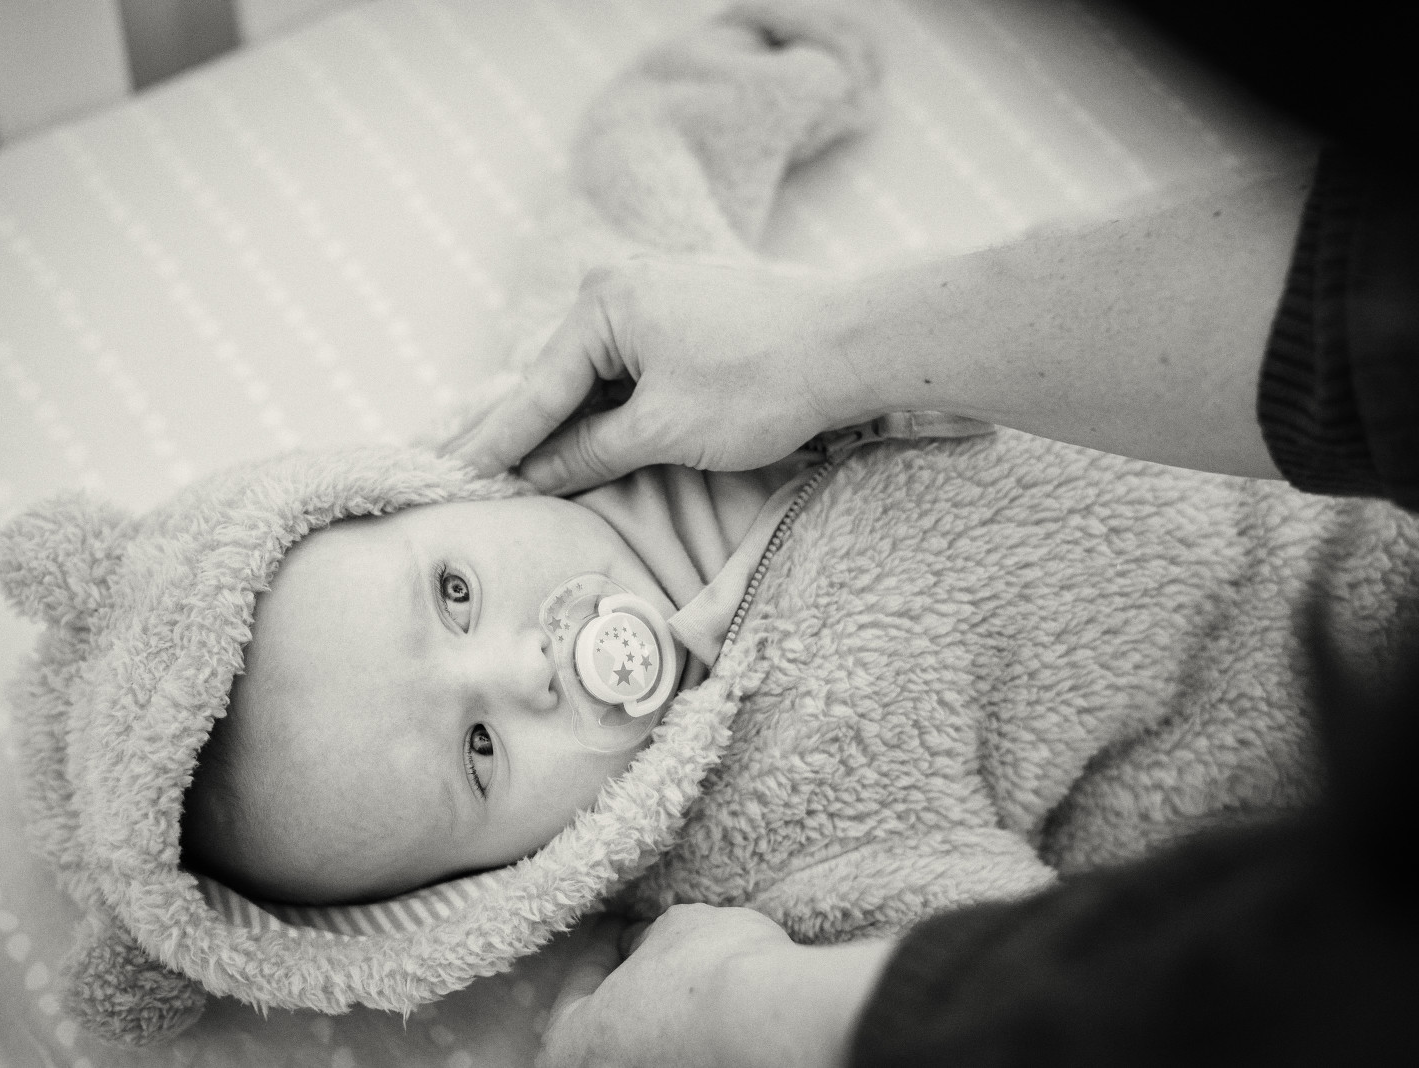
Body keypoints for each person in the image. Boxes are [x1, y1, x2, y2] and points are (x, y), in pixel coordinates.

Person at [435, 3, 1419, 1066]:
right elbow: (1004, 957)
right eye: (477, 751)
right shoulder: (758, 856)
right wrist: (745, 1005)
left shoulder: (578, 392)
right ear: (512, 880)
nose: (522, 668)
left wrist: (739, 79)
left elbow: (622, 208)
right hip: (1305, 659)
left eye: (451, 595)